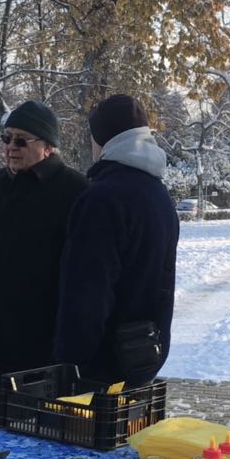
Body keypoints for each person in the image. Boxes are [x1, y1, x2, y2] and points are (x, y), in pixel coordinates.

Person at [0, 100, 87, 440]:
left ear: (48, 146)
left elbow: (85, 264)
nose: (11, 147)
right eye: (7, 138)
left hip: (36, 327)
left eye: (22, 140)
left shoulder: (75, 189)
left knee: (30, 427)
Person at [53, 94, 179, 386]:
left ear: (103, 139)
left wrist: (70, 362)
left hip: (101, 367)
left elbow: (87, 292)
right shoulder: (159, 195)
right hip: (143, 355)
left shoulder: (102, 199)